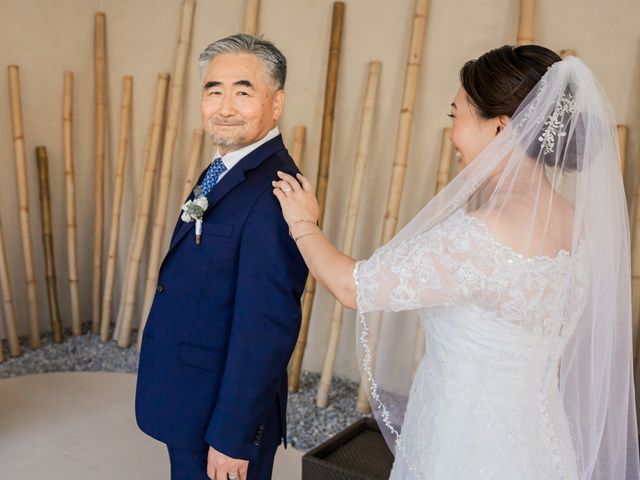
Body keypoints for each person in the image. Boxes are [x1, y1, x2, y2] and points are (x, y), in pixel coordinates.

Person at [272, 45, 640, 479]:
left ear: (502, 128)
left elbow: (354, 286)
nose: (451, 135)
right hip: (540, 444)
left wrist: (303, 224)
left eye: (456, 115)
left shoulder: (479, 236)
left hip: (464, 446)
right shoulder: (578, 228)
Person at [135, 33, 308, 480]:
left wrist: (233, 436)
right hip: (192, 396)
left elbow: (266, 327)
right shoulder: (227, 167)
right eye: (214, 90)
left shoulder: (275, 192)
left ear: (276, 103)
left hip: (221, 418)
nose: (224, 107)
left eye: (243, 92)